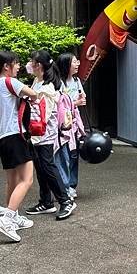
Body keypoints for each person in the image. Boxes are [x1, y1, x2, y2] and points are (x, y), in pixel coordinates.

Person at [24, 50, 76, 220]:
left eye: (32, 62)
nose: (29, 65)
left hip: (44, 134)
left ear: (38, 65)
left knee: (47, 166)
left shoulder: (47, 87)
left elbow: (43, 115)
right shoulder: (37, 82)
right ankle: (46, 202)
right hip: (37, 135)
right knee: (41, 168)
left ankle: (65, 200)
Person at [0, 51, 38, 242]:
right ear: (6, 66)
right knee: (27, 179)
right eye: (16, 64)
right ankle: (7, 219)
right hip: (16, 136)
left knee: (12, 180)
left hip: (3, 139)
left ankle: (12, 216)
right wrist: (31, 96)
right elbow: (33, 93)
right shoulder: (10, 82)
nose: (18, 67)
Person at [55, 53, 86, 200]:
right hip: (63, 126)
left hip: (75, 124)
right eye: (75, 62)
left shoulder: (76, 80)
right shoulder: (58, 83)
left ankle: (72, 186)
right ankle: (64, 187)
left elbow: (82, 98)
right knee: (64, 156)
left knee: (74, 155)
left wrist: (80, 100)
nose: (78, 64)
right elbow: (59, 106)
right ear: (66, 65)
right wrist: (76, 103)